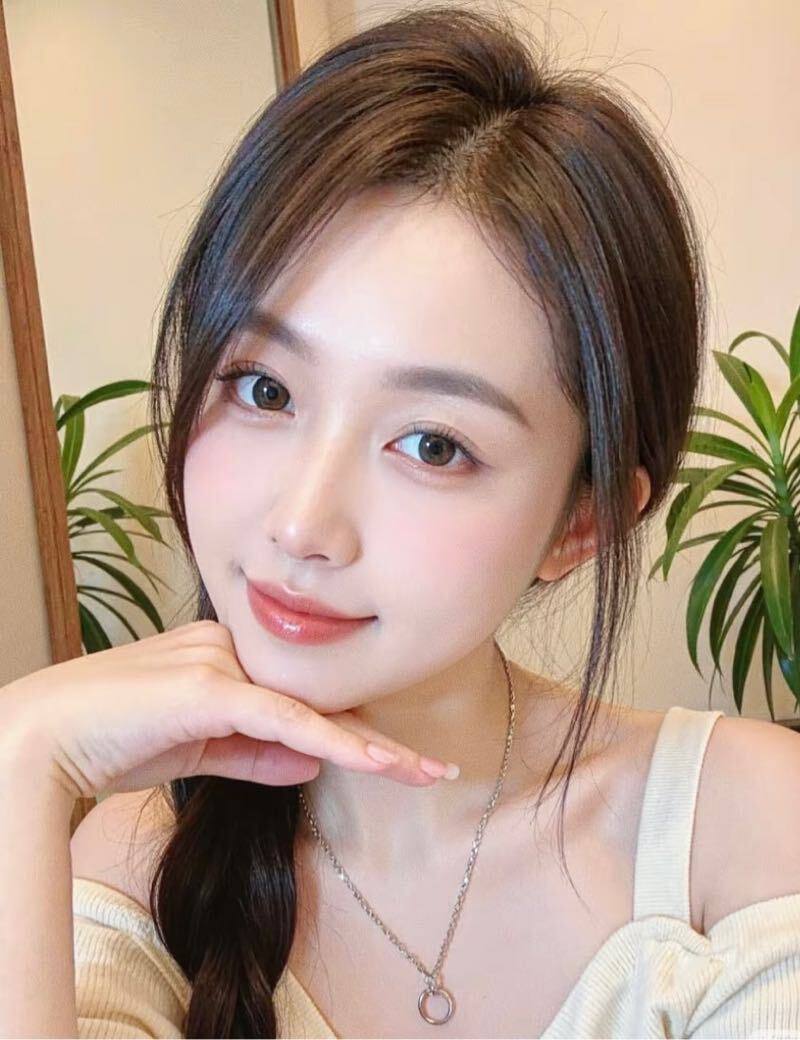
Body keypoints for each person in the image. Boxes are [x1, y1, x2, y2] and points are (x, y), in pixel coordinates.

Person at [2, 5, 800, 1038]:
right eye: (263, 389)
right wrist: (20, 761)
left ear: (581, 522)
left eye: (431, 444)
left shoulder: (736, 832)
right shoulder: (131, 870)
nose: (302, 524)